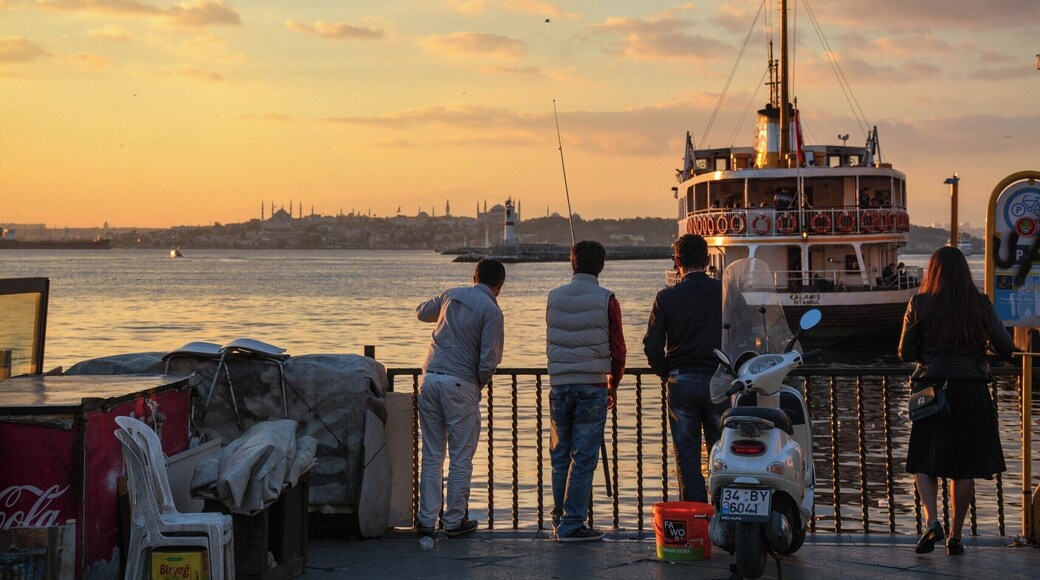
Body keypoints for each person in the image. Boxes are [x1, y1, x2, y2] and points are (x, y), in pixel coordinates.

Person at [898, 246, 1015, 556]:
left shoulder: (920, 303)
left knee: (924, 460)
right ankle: (956, 536)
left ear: (932, 271)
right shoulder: (979, 304)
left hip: (932, 392)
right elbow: (1006, 346)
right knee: (963, 468)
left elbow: (905, 353)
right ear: (965, 272)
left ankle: (932, 521)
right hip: (971, 391)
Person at [415, 258, 506, 539]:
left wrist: (445, 308)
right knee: (460, 457)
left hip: (429, 380)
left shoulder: (451, 294)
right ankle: (453, 520)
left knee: (431, 455)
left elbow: (421, 313)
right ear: (499, 286)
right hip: (460, 384)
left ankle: (426, 521)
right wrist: (479, 382)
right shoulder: (492, 311)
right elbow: (489, 358)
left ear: (473, 276)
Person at [546, 240, 626, 542]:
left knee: (560, 456)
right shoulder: (607, 298)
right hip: (592, 386)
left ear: (572, 263)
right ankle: (572, 523)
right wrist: (613, 385)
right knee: (583, 458)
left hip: (559, 385)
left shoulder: (553, 297)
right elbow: (618, 349)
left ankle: (558, 519)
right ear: (601, 265)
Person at [643, 234, 727, 502]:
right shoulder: (726, 292)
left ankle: (697, 519)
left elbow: (651, 345)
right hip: (719, 381)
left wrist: (666, 371)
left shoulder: (667, 297)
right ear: (707, 260)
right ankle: (726, 514)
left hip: (681, 382)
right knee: (723, 453)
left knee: (688, 457)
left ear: (677, 261)